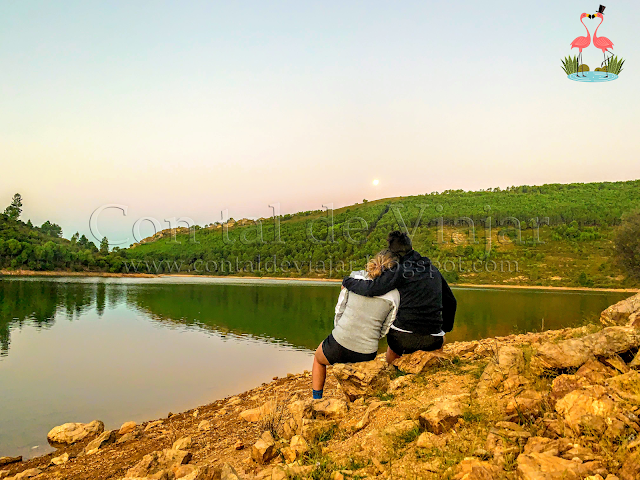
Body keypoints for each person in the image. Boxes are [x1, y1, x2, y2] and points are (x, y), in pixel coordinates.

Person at [342, 230, 457, 364]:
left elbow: (371, 288)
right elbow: (451, 302)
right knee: (442, 339)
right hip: (434, 340)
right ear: (412, 248)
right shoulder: (433, 269)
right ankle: (434, 362)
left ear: (393, 255)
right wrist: (444, 329)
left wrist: (347, 281)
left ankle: (393, 372)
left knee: (392, 349)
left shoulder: (400, 270)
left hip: (402, 340)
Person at [311, 250, 400, 399]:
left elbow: (340, 309)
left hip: (339, 341)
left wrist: (341, 330)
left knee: (318, 359)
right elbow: (386, 326)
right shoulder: (395, 294)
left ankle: (316, 398)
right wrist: (370, 336)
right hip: (367, 351)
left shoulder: (355, 279)